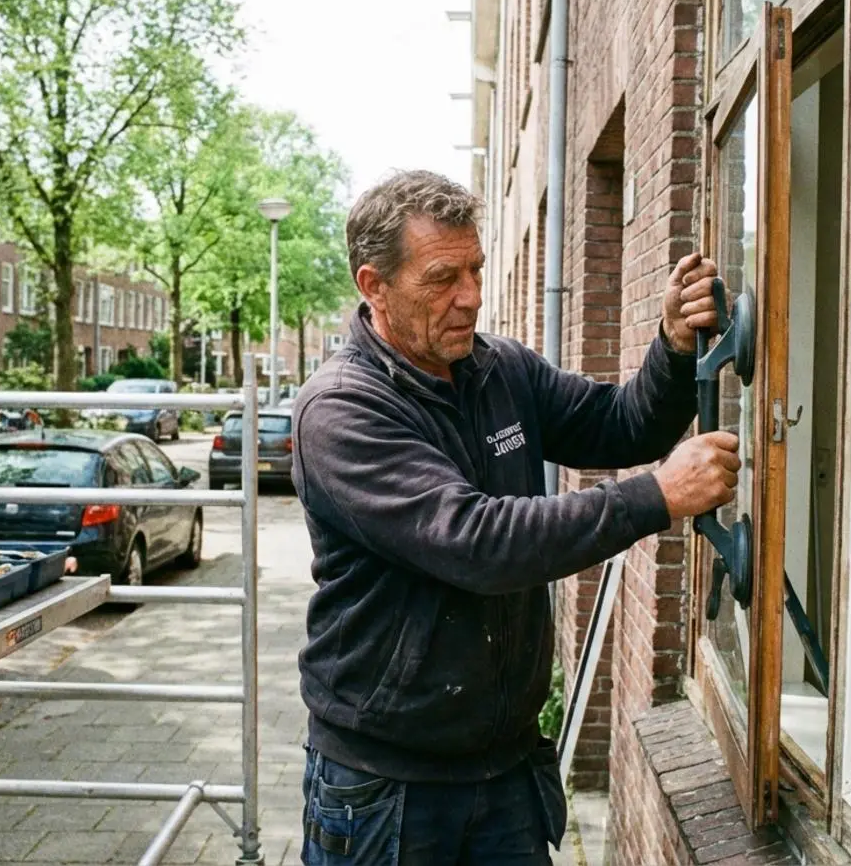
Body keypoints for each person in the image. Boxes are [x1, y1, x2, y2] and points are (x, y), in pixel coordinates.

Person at [290, 170, 743, 864]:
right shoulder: (343, 410)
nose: (470, 296)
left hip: (504, 773)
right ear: (373, 286)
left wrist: (675, 350)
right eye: (442, 278)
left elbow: (619, 427)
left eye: (474, 269)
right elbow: (477, 543)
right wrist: (657, 496)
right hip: (387, 787)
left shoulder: (499, 369)